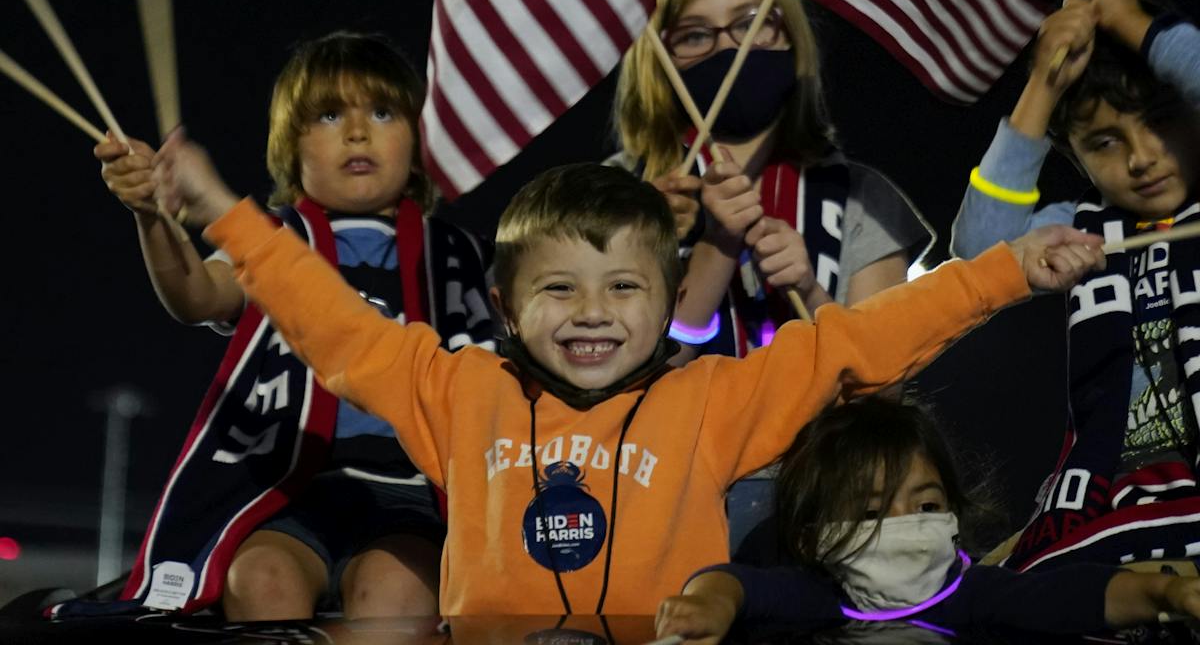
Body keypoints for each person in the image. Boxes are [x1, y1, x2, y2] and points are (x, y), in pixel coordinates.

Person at [149, 139, 1102, 615]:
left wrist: (1011, 268)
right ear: (504, 301)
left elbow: (862, 339)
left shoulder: (714, 399)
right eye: (559, 287)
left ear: (668, 291)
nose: (594, 311)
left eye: (625, 286)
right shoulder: (458, 392)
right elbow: (336, 326)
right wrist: (227, 215)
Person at [77, 32, 494, 621]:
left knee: (398, 593)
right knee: (262, 578)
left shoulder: (464, 256)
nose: (358, 133)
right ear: (289, 146)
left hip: (413, 492)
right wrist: (150, 218)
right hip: (291, 486)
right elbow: (195, 296)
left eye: (382, 112)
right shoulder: (271, 243)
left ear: (419, 140)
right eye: (328, 115)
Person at [951, 0, 1200, 571]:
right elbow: (981, 248)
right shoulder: (1085, 227)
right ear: (1073, 154)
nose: (1141, 157)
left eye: (1162, 122)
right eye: (1107, 141)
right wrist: (1043, 85)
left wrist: (1136, 27)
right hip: (1112, 498)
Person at [613, 0, 931, 357]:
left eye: (752, 24)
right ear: (658, 59)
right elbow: (626, 384)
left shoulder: (863, 199)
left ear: (792, 39)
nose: (729, 48)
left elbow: (881, 387)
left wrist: (808, 289)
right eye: (694, 35)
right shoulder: (617, 192)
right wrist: (712, 244)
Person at [655, 397, 1200, 640]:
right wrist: (706, 605)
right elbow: (738, 586)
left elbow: (1071, 597)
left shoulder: (972, 596)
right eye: (870, 512)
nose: (905, 525)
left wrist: (1165, 596)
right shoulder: (816, 596)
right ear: (814, 535)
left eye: (925, 506)